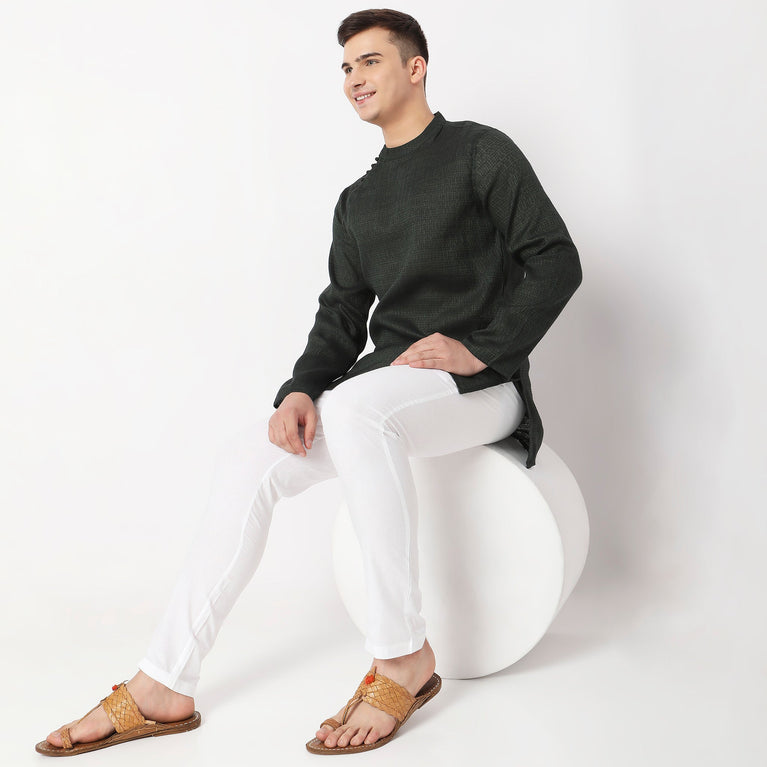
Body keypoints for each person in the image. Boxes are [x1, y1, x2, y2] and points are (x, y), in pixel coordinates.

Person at [36, 8, 582, 757]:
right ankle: (164, 682)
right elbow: (343, 313)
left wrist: (478, 349)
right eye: (346, 67)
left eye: (370, 61)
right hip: (387, 394)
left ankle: (402, 657)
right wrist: (298, 388)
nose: (354, 78)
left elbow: (555, 258)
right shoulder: (357, 201)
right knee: (247, 460)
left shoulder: (479, 152)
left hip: (483, 390)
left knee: (355, 408)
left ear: (415, 67)